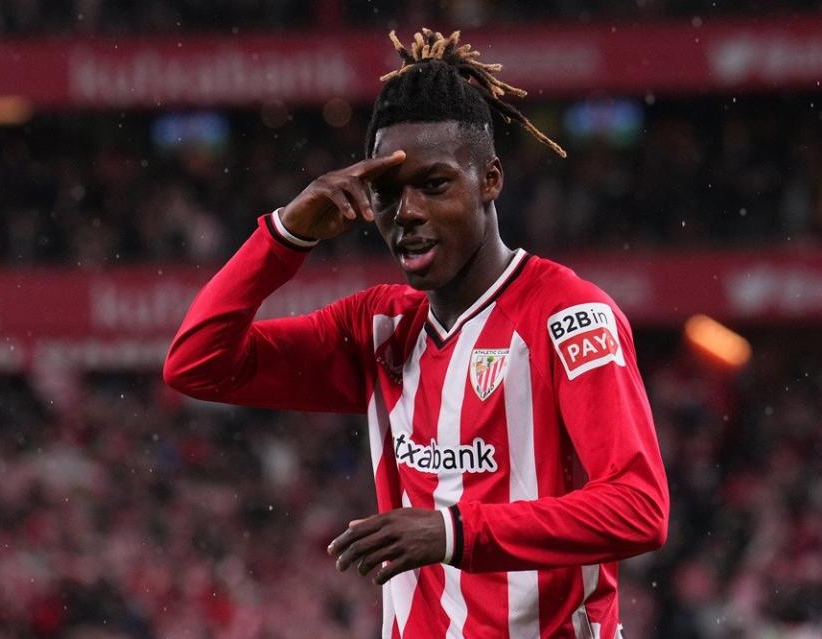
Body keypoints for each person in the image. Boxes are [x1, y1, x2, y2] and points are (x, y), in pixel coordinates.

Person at [164, 28, 668, 638]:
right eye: (386, 192)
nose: (407, 213)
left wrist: (455, 531)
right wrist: (283, 236)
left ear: (490, 180)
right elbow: (197, 364)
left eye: (434, 185)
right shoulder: (379, 327)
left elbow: (640, 508)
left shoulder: (569, 315)